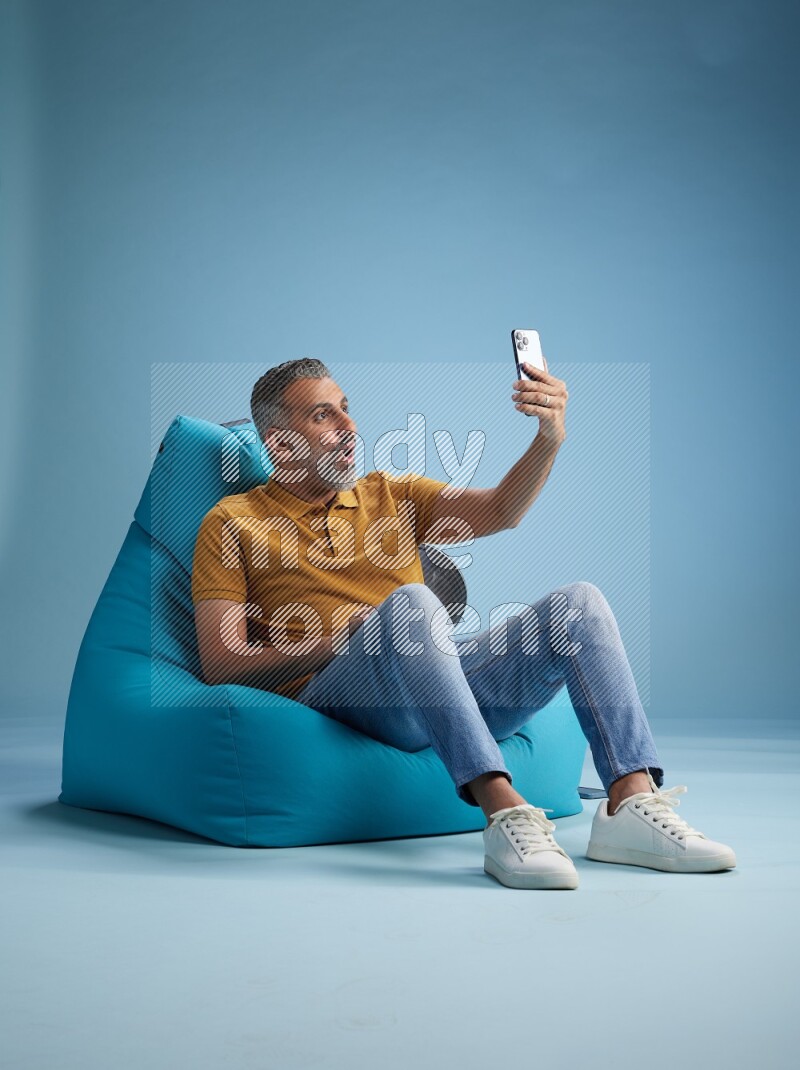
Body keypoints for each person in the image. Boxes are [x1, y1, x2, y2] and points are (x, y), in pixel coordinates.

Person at [191, 357, 736, 890]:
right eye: (322, 415)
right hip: (343, 701)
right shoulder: (232, 522)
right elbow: (220, 663)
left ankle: (630, 803)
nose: (348, 426)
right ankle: (504, 812)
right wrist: (336, 640)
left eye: (346, 408)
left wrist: (548, 439)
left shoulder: (391, 494)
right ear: (280, 444)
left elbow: (501, 511)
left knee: (580, 604)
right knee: (413, 602)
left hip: (433, 690)